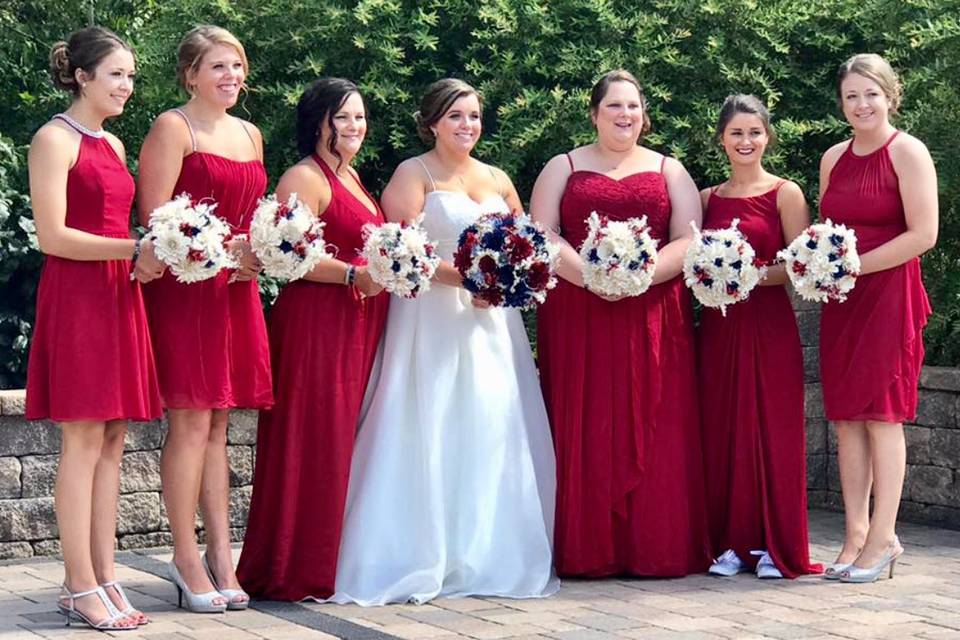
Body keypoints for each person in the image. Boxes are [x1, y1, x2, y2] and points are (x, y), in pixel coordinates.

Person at [330, 78, 558, 605]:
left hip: (490, 325)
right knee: (429, 420)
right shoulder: (415, 173)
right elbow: (399, 251)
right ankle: (417, 551)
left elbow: (525, 246)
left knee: (487, 422)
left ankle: (486, 552)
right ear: (432, 121)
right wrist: (472, 279)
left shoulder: (498, 177)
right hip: (430, 318)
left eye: (474, 116)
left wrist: (505, 283)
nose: (467, 126)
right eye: (456, 116)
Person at [530, 69, 711, 577]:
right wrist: (591, 277)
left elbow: (688, 239)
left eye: (633, 106)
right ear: (594, 113)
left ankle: (656, 546)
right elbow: (542, 233)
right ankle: (588, 549)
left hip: (652, 312)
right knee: (586, 418)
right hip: (579, 312)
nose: (625, 115)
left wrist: (641, 274)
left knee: (655, 418)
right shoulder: (562, 166)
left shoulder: (669, 169)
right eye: (614, 106)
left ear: (644, 113)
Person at [26, 26, 164, 630]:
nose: (127, 86)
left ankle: (103, 575)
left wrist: (151, 256)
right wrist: (133, 246)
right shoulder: (54, 139)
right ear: (81, 76)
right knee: (82, 441)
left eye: (131, 76)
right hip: (80, 296)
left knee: (112, 440)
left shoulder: (110, 143)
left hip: (118, 294)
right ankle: (77, 583)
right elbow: (52, 236)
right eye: (116, 74)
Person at [236, 78, 389, 600]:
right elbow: (287, 256)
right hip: (316, 325)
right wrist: (351, 275)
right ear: (318, 121)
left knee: (343, 442)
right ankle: (289, 567)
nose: (354, 127)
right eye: (342, 117)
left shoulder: (353, 178)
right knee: (312, 440)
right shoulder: (305, 177)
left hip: (357, 323)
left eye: (360, 117)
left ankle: (329, 558)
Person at [138, 25, 272, 612]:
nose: (231, 77)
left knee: (220, 423)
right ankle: (184, 555)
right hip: (186, 291)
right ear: (190, 74)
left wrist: (260, 252)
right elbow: (155, 221)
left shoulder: (251, 133)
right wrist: (216, 250)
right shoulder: (174, 127)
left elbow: (256, 218)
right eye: (218, 67)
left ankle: (222, 553)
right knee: (191, 422)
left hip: (235, 292)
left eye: (237, 66)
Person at [819, 54, 937, 582]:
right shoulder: (832, 157)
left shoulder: (907, 151)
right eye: (851, 96)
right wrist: (822, 268)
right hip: (842, 302)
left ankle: (886, 537)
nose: (862, 105)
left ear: (890, 95)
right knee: (846, 419)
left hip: (889, 296)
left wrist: (856, 266)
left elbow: (923, 234)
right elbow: (827, 233)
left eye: (871, 93)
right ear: (842, 103)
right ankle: (855, 536)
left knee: (882, 416)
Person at [697, 95, 821, 579]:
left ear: (767, 137)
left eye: (754, 132)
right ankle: (732, 543)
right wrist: (713, 274)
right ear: (722, 139)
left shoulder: (786, 193)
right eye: (736, 133)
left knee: (773, 428)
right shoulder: (707, 198)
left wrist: (743, 273)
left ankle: (776, 545)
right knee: (724, 429)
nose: (745, 141)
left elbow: (798, 266)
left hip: (768, 324)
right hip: (720, 329)